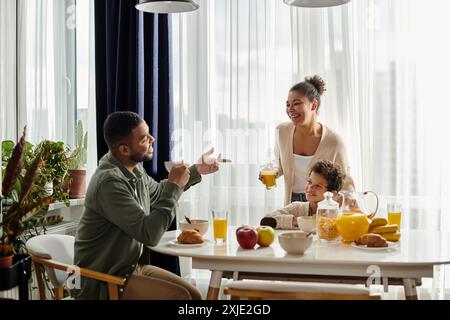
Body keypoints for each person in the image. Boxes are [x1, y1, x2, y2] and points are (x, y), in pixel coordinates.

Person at [73, 111, 221, 300]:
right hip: (103, 279)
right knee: (180, 297)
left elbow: (159, 194)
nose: (153, 139)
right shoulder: (109, 182)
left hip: (130, 268)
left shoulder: (134, 170)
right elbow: (150, 234)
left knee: (194, 294)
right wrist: (174, 185)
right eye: (144, 138)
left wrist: (195, 170)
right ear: (124, 149)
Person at [260, 75, 355, 206]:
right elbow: (279, 162)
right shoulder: (281, 132)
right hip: (291, 204)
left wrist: (349, 200)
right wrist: (272, 172)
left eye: (297, 103)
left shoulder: (334, 142)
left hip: (321, 206)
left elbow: (345, 182)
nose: (290, 109)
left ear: (313, 105)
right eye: (288, 105)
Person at [260, 160, 344, 229]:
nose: (310, 187)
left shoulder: (335, 214)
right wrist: (296, 221)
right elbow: (266, 220)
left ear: (332, 193)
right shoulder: (297, 208)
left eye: (318, 186)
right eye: (310, 182)